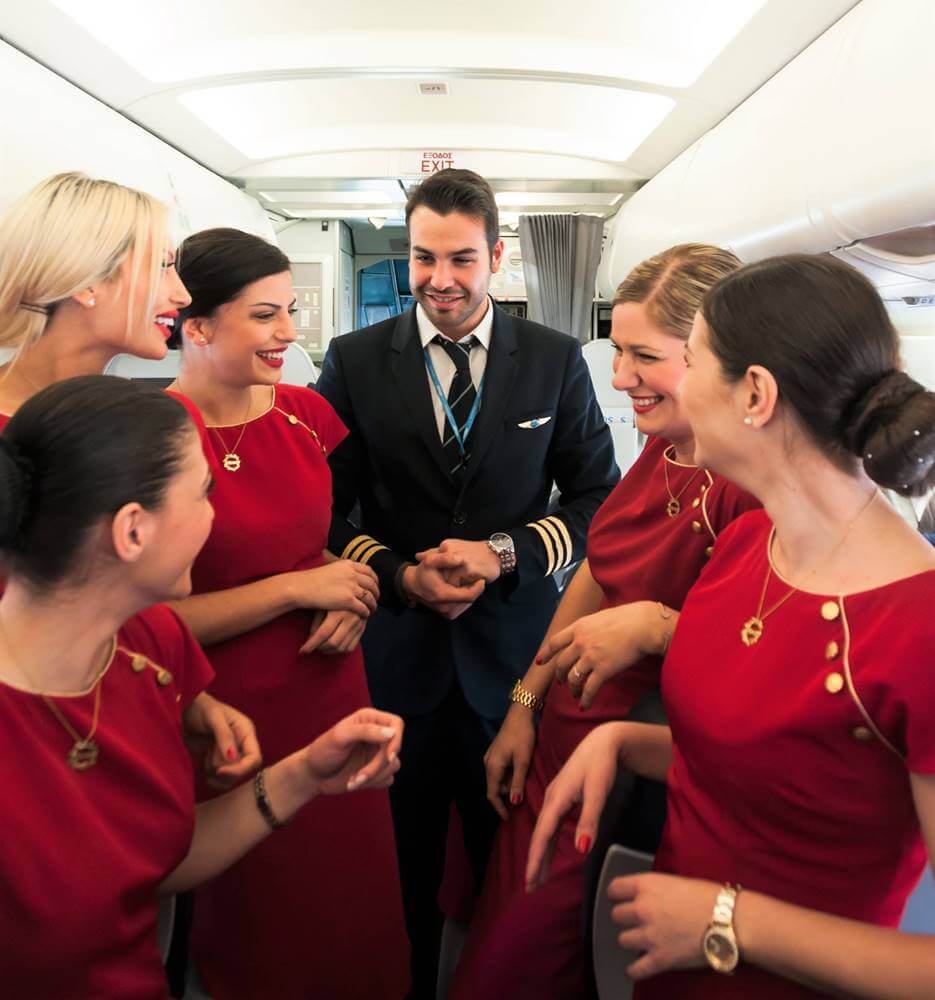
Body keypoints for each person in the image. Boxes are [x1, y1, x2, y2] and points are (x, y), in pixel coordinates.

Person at [527, 254, 935, 999]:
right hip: (676, 962)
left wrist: (728, 919)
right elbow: (763, 772)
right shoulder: (750, 544)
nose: (675, 388)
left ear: (754, 394)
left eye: (693, 363)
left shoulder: (919, 625)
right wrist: (620, 742)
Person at [0, 375, 403, 1000]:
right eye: (203, 493)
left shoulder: (150, 646)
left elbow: (157, 863)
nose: (217, 516)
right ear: (133, 531)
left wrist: (302, 775)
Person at [316, 168, 619, 995]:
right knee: (398, 876)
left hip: (511, 668)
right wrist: (398, 575)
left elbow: (597, 497)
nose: (439, 279)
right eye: (423, 258)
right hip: (396, 662)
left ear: (496, 257)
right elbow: (321, 509)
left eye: (460, 259)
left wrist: (505, 554)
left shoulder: (552, 359)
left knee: (507, 874)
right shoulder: (354, 361)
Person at [450, 244, 758, 998]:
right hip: (563, 734)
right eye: (617, 351)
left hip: (632, 760)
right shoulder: (664, 446)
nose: (618, 378)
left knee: (530, 961)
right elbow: (597, 570)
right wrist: (525, 704)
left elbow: (762, 658)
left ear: (715, 357)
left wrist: (658, 628)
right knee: (495, 941)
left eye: (642, 356)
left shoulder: (747, 485)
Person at [167, 227, 409, 999]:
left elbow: (315, 548)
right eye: (265, 315)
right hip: (225, 708)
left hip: (331, 685)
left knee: (349, 893)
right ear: (197, 326)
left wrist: (354, 592)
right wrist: (297, 591)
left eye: (291, 311)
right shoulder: (157, 439)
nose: (288, 333)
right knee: (259, 913)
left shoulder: (304, 413)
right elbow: (153, 624)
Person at [0, 171, 257, 783]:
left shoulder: (121, 420)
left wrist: (187, 693)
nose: (181, 292)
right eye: (163, 265)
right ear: (89, 283)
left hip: (123, 712)